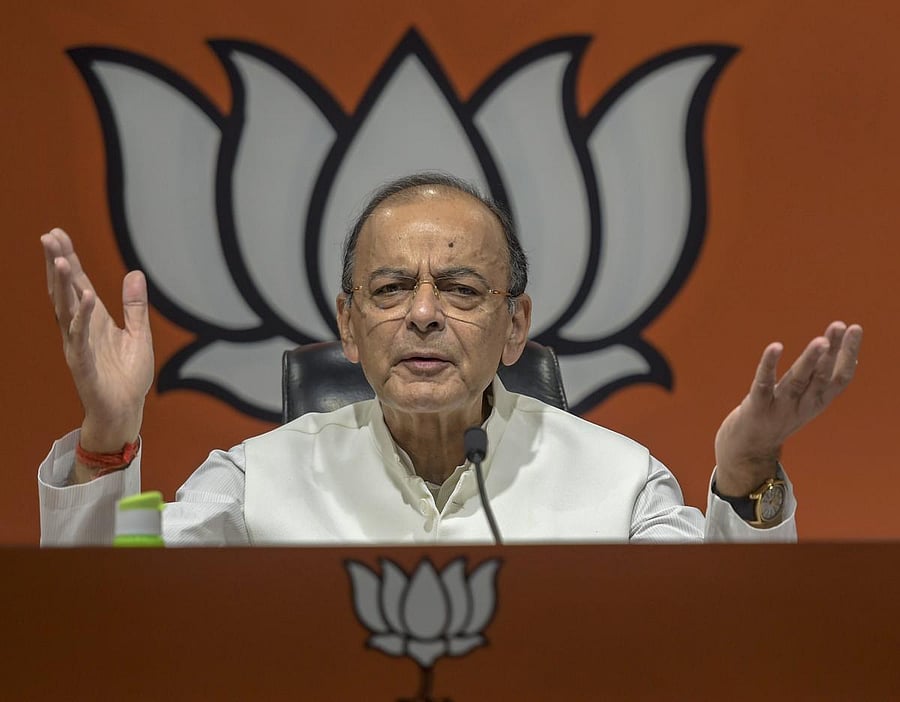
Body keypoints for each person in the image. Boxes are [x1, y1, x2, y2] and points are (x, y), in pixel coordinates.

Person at [38, 173, 862, 545]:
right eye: (392, 288)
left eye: (461, 289)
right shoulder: (253, 484)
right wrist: (109, 433)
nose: (424, 314)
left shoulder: (619, 486)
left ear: (515, 328)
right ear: (348, 327)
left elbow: (721, 634)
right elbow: (116, 624)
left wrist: (748, 467)